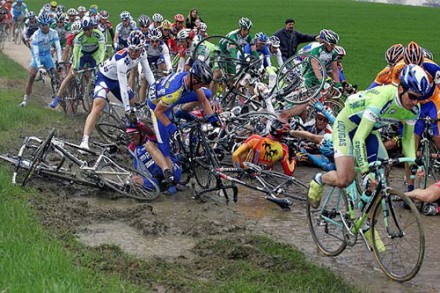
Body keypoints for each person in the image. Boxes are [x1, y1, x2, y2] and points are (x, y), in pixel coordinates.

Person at [307, 64, 430, 210]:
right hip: (347, 126)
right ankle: (319, 179)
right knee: (344, 179)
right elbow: (359, 137)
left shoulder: (414, 109)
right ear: (401, 88)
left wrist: (413, 164)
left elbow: (408, 139)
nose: (415, 102)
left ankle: (366, 226)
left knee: (381, 177)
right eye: (412, 97)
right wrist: (365, 171)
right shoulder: (383, 99)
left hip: (369, 130)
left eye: (419, 98)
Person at [79, 30, 155, 150]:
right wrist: (127, 109)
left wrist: (155, 87)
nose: (134, 53)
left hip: (117, 80)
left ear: (142, 48)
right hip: (105, 78)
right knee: (98, 105)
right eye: (131, 49)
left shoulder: (142, 52)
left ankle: (137, 134)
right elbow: (123, 86)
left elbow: (147, 71)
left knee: (136, 105)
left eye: (137, 50)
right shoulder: (121, 59)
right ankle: (85, 140)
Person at [147, 59, 219, 173]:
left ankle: (182, 112)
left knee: (207, 93)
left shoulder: (190, 78)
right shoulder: (175, 91)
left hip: (170, 98)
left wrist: (213, 119)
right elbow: (158, 112)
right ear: (195, 80)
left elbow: (203, 99)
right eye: (202, 84)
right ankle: (169, 175)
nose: (203, 86)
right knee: (164, 143)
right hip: (157, 105)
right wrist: (171, 127)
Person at [50, 17, 105, 108]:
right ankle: (58, 97)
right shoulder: (79, 37)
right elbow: (75, 53)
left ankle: (102, 100)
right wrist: (75, 67)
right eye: (84, 30)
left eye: (88, 29)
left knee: (98, 78)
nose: (87, 32)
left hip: (94, 56)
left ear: (92, 28)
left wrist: (101, 62)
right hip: (82, 56)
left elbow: (102, 50)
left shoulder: (98, 35)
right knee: (70, 76)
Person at [126, 121, 181, 194]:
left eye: (133, 134)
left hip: (172, 171)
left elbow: (150, 133)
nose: (131, 137)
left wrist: (138, 124)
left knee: (148, 145)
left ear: (141, 133)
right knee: (133, 181)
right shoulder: (135, 151)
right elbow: (137, 170)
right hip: (157, 180)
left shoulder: (151, 140)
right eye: (129, 134)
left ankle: (171, 183)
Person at [19, 13, 62, 107]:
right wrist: (39, 67)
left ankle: (59, 95)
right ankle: (25, 100)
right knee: (32, 76)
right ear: (39, 25)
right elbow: (36, 52)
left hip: (47, 55)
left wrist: (60, 61)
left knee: (56, 74)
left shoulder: (53, 32)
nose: (44, 27)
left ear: (49, 24)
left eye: (46, 24)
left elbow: (58, 48)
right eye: (42, 25)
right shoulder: (36, 35)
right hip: (37, 56)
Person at [232, 119, 297, 176]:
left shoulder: (255, 139)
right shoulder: (284, 148)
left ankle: (239, 172)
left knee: (245, 145)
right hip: (264, 175)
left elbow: (235, 155)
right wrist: (294, 158)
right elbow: (289, 172)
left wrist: (241, 170)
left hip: (249, 172)